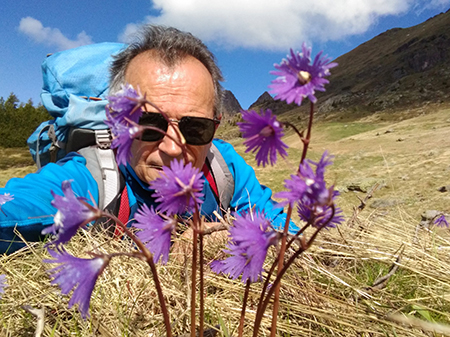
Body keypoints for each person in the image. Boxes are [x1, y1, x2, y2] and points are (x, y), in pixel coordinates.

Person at [0, 25, 293, 254]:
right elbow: (15, 210)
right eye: (149, 123)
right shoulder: (89, 181)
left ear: (215, 127)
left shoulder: (224, 169)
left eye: (196, 128)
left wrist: (232, 241)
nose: (173, 147)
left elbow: (289, 234)